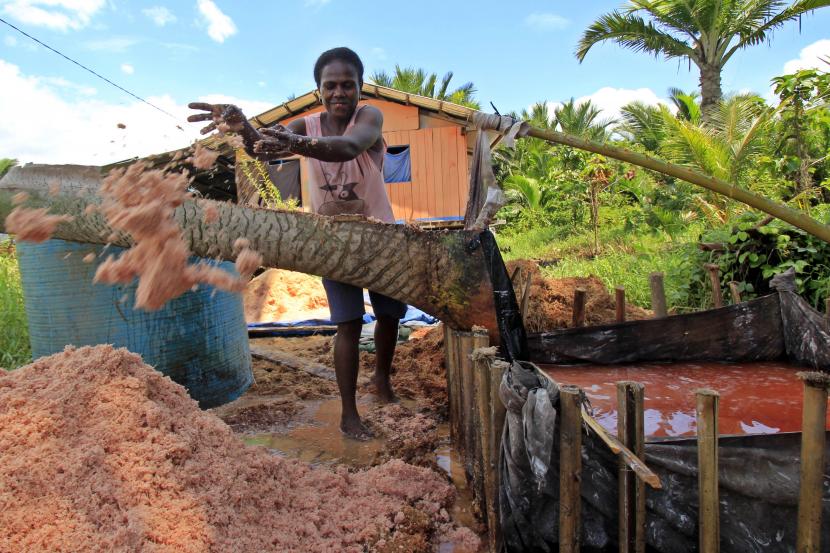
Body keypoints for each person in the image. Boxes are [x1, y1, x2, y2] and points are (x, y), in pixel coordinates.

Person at [188, 47, 406, 440]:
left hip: (380, 238)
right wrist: (242, 127)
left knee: (390, 314)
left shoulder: (369, 117)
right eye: (330, 86)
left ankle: (382, 379)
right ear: (318, 89)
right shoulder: (308, 125)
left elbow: (350, 147)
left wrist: (295, 144)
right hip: (332, 242)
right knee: (348, 325)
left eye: (347, 85)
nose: (339, 92)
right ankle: (349, 413)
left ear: (359, 88)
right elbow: (260, 147)